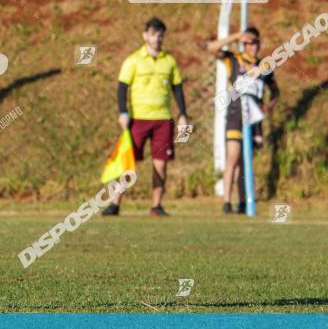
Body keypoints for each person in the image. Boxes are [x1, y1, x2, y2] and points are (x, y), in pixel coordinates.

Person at [104, 17, 188, 217]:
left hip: (163, 119)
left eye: (160, 35)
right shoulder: (133, 60)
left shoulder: (169, 61)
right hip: (138, 119)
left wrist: (183, 114)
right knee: (129, 164)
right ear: (145, 36)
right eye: (153, 34)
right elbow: (122, 88)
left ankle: (156, 205)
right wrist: (123, 112)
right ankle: (115, 203)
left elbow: (177, 90)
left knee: (160, 164)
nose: (157, 38)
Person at [205, 28, 279, 214]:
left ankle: (244, 202)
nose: (253, 47)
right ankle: (227, 202)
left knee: (247, 162)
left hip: (254, 120)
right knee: (233, 158)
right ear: (243, 44)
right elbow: (211, 48)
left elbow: (275, 91)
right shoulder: (233, 58)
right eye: (249, 42)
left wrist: (268, 106)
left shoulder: (264, 66)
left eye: (255, 43)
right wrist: (236, 36)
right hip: (235, 115)